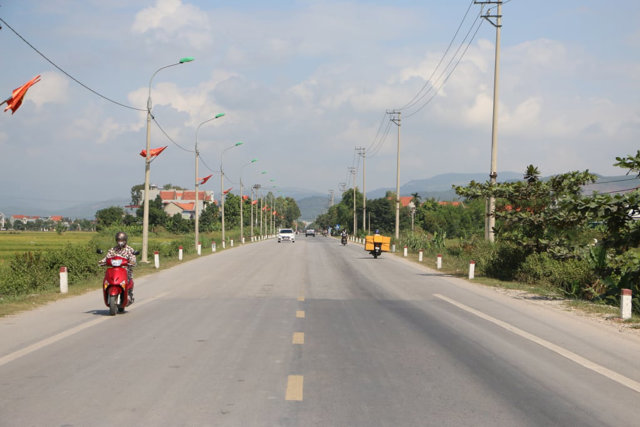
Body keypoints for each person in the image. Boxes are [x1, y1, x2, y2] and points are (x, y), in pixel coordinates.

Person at [100, 231, 137, 302]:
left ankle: (129, 294)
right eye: (119, 240)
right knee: (107, 280)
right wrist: (102, 261)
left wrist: (132, 262)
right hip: (114, 271)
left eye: (122, 240)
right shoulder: (113, 250)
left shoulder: (129, 249)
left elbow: (133, 258)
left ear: (125, 240)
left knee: (129, 279)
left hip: (125, 270)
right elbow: (107, 257)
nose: (120, 242)